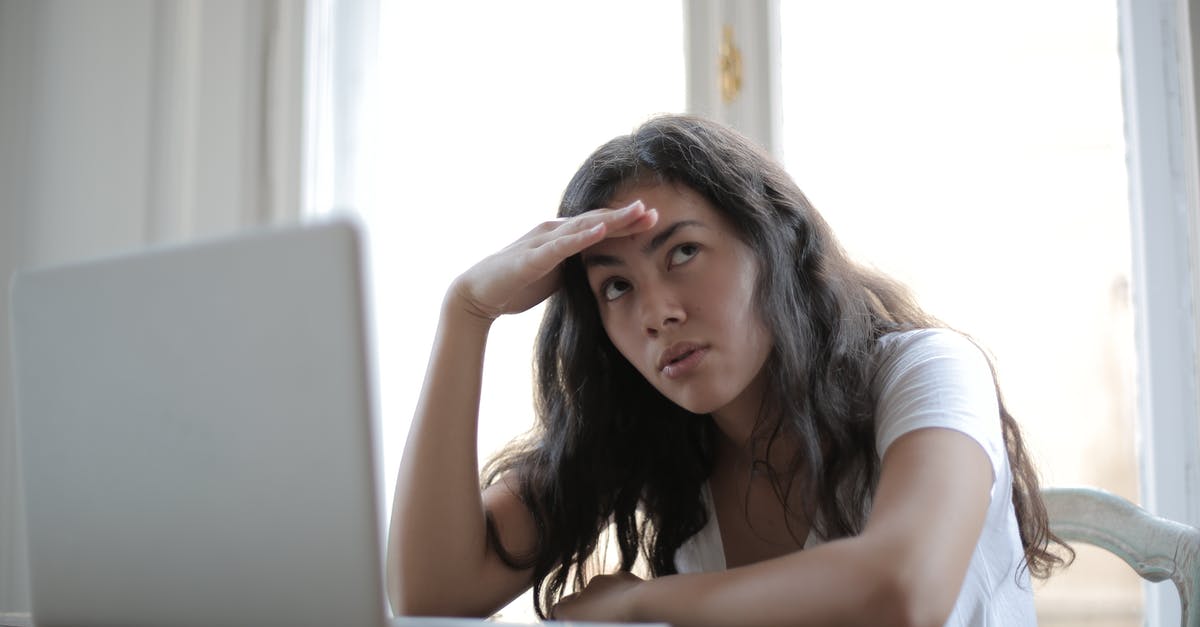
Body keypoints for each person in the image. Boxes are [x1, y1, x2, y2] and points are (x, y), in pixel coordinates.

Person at [386, 114, 1071, 626]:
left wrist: (644, 602)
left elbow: (904, 589)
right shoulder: (651, 430)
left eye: (682, 251)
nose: (655, 312)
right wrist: (466, 313)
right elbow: (432, 593)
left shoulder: (927, 371)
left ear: (772, 241)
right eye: (615, 287)